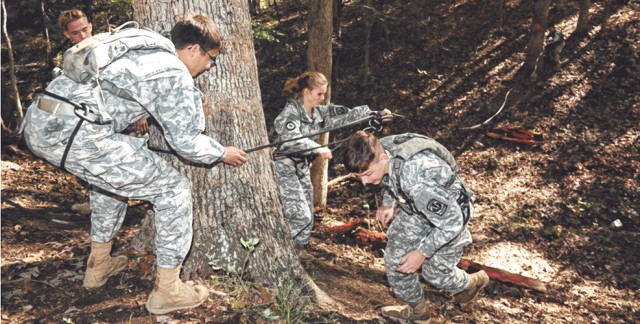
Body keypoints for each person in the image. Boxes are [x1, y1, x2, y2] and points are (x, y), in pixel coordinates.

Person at [21, 14, 248, 314]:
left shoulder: (144, 48)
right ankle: (168, 290)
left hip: (42, 120)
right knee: (173, 191)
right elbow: (187, 143)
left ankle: (99, 265)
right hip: (74, 133)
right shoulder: (173, 72)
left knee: (110, 184)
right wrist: (221, 152)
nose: (209, 67)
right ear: (193, 49)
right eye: (209, 58)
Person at [342, 131, 489, 321]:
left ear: (383, 159)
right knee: (396, 262)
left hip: (451, 217)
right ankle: (419, 313)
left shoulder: (415, 181)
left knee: (434, 274)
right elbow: (391, 176)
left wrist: (422, 253)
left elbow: (452, 222)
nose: (364, 182)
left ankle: (471, 282)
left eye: (368, 174)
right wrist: (388, 202)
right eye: (359, 176)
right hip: (419, 209)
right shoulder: (381, 149)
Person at [272, 71, 391, 261]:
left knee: (308, 217)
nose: (322, 98)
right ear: (305, 92)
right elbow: (290, 139)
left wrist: (374, 114)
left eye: (324, 94)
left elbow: (347, 114)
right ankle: (282, 252)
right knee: (300, 215)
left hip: (301, 169)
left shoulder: (320, 113)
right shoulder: (291, 112)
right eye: (319, 94)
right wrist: (317, 148)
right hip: (284, 168)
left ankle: (297, 251)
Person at [57, 9, 148, 216]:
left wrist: (142, 113)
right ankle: (99, 204)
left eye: (85, 29)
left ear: (90, 25)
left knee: (121, 163)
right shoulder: (71, 58)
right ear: (67, 35)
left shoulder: (111, 46)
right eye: (75, 33)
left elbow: (135, 79)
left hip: (125, 115)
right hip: (95, 117)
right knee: (96, 162)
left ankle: (119, 204)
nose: (83, 36)